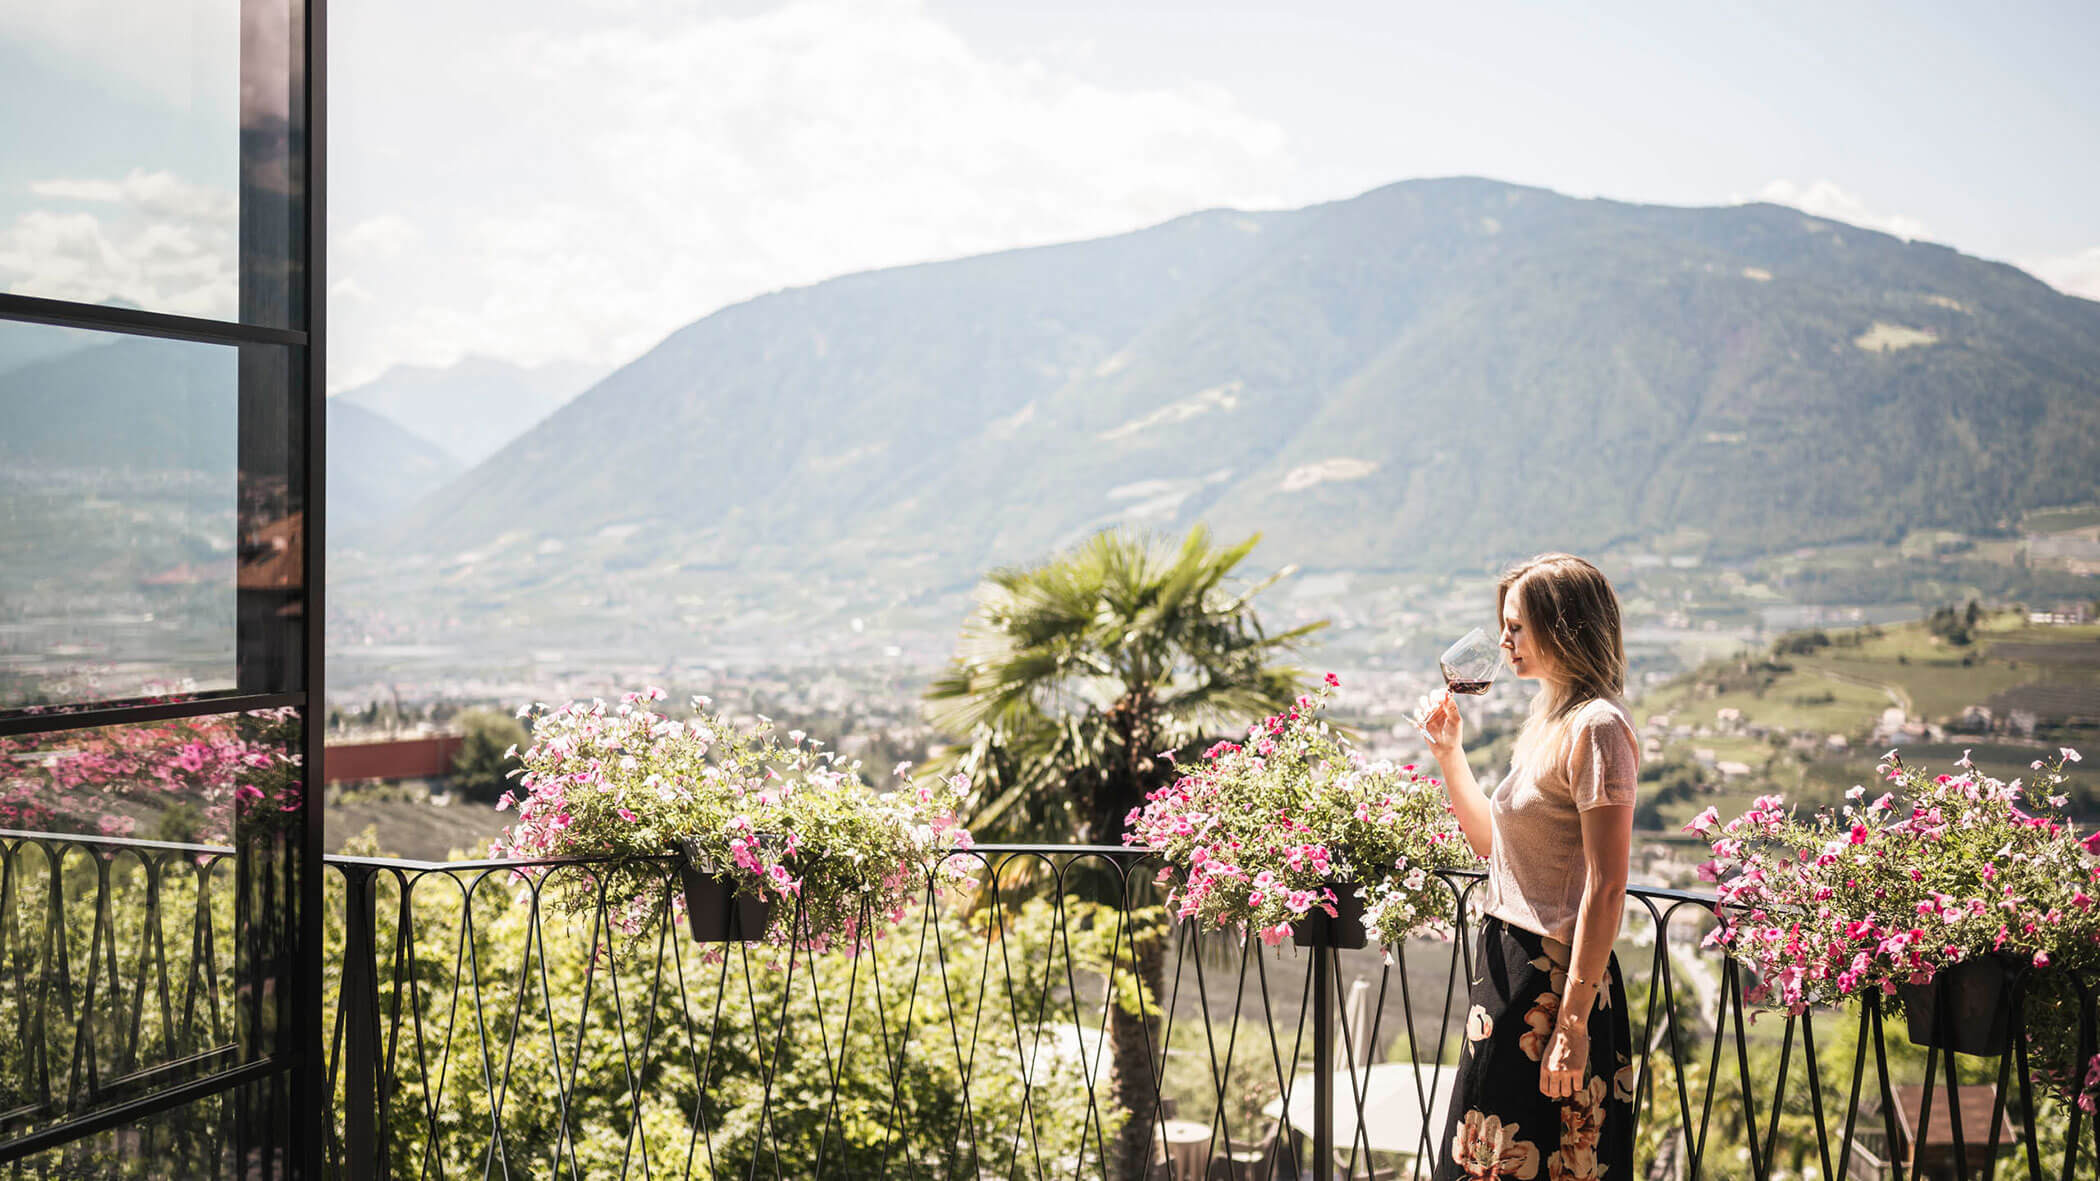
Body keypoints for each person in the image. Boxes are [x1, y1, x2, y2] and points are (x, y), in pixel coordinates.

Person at [1417, 553, 1638, 1181]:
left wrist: (1570, 1023)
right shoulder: (1550, 719)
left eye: (1516, 627)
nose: (1504, 641)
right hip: (1510, 974)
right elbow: (1495, 848)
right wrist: (1450, 756)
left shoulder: (1598, 728)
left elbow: (1608, 884)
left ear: (1562, 625)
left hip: (1555, 981)